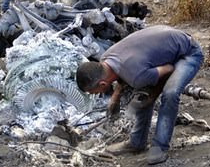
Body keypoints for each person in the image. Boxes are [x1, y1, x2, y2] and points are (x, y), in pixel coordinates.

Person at [76, 25, 203, 165]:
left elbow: (169, 69)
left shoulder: (136, 76)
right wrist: (115, 98)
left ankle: (160, 146)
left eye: (92, 92)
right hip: (166, 44)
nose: (94, 94)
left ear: (102, 84)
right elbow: (122, 74)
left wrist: (152, 96)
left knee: (170, 93)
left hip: (188, 53)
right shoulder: (106, 59)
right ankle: (136, 143)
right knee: (141, 95)